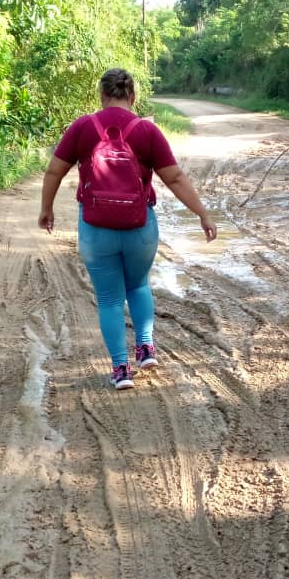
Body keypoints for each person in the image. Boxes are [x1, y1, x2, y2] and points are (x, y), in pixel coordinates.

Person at [39, 68, 217, 390]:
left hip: (96, 229)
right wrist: (202, 213)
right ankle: (145, 347)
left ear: (101, 95)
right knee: (137, 285)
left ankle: (121, 369)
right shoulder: (146, 130)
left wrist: (47, 209)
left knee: (108, 299)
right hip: (140, 227)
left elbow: (54, 171)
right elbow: (174, 178)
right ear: (132, 96)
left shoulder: (82, 127)